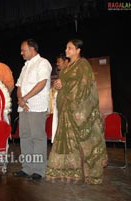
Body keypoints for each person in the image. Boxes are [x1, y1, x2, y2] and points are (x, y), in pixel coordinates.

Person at [45, 39, 108, 184]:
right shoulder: (67, 67)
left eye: (70, 48)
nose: (67, 50)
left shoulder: (83, 65)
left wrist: (64, 85)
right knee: (69, 143)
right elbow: (65, 83)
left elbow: (84, 87)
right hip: (66, 111)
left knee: (85, 143)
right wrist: (58, 84)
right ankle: (71, 172)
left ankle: (91, 174)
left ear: (78, 50)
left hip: (78, 112)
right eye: (66, 47)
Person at [13, 39, 52, 180]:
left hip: (36, 106)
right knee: (25, 137)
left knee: (37, 137)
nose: (21, 52)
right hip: (24, 107)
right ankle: (27, 168)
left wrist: (25, 98)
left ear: (32, 49)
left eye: (23, 50)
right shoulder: (25, 66)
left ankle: (39, 170)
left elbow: (42, 83)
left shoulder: (43, 63)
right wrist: (20, 99)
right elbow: (19, 85)